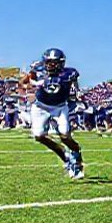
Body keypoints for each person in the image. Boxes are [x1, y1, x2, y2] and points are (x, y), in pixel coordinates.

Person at [19, 48, 84, 179]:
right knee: (39, 136)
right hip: (40, 106)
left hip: (60, 106)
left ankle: (76, 155)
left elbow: (74, 82)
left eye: (54, 63)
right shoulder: (38, 70)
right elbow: (22, 82)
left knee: (65, 135)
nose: (50, 65)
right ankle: (65, 156)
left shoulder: (69, 73)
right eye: (48, 62)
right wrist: (30, 84)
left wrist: (77, 91)